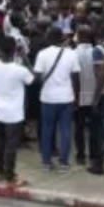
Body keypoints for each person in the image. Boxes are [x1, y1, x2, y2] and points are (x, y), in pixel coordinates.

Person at [33, 27, 80, 172]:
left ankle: (46, 163)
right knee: (66, 130)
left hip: (47, 98)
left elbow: (37, 77)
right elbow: (76, 77)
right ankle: (64, 163)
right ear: (62, 38)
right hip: (66, 97)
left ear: (48, 38)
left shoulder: (42, 54)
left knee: (47, 130)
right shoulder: (71, 54)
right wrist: (76, 96)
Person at [0, 36, 33, 185]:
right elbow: (32, 79)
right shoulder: (20, 70)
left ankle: (0, 172)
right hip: (14, 114)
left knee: (0, 144)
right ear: (15, 50)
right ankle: (10, 176)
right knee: (10, 147)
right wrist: (24, 56)